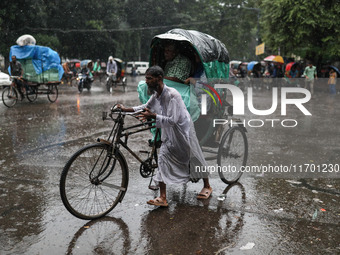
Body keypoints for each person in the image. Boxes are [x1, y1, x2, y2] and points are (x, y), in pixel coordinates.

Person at [117, 66, 212, 207]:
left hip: (183, 130)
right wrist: (126, 109)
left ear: (159, 78)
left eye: (149, 79)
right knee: (162, 158)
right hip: (169, 132)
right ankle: (162, 197)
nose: (147, 81)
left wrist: (153, 115)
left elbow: (173, 120)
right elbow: (145, 106)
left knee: (194, 156)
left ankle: (207, 185)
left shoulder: (172, 95)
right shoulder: (157, 94)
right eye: (146, 79)